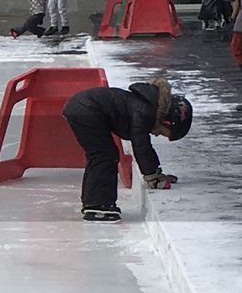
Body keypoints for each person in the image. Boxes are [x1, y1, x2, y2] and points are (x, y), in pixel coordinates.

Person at [62, 76, 193, 223]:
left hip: (82, 107)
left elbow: (144, 145)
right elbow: (141, 146)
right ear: (166, 121)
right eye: (161, 132)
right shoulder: (144, 112)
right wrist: (152, 176)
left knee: (102, 154)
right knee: (104, 155)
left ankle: (93, 201)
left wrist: (155, 173)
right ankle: (98, 205)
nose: (156, 134)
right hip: (85, 110)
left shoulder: (145, 106)